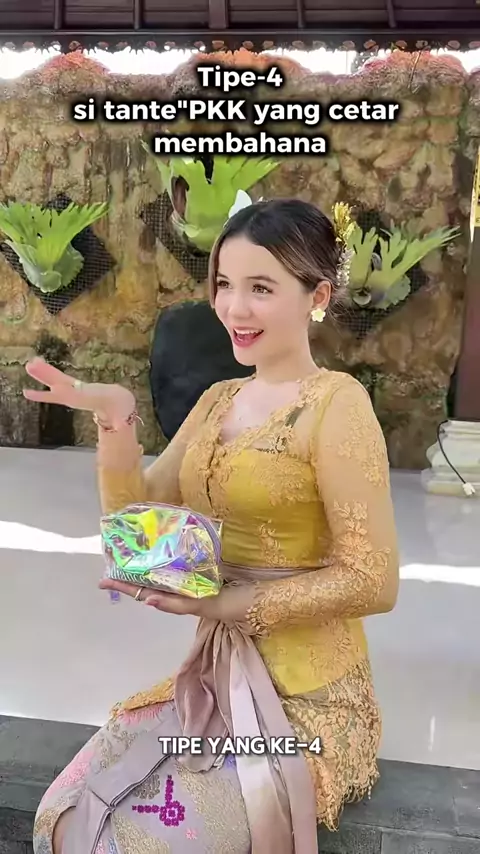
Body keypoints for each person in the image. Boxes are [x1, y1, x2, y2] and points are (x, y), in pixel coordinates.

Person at [27, 199, 399, 854]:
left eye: (261, 288)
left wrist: (227, 602)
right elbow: (137, 529)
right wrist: (116, 421)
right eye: (224, 284)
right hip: (210, 683)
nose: (234, 308)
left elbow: (374, 580)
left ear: (317, 296)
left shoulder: (337, 405)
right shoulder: (217, 401)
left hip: (307, 704)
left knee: (130, 844)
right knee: (61, 818)